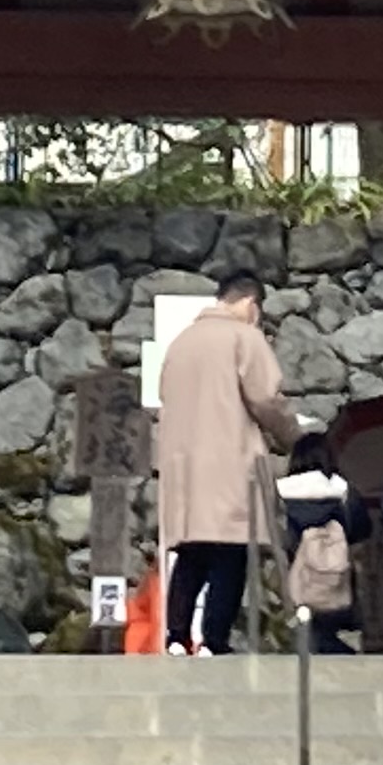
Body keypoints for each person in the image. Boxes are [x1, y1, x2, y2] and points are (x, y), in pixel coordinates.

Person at [152, 272, 294, 654]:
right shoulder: (243, 337)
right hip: (230, 462)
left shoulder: (180, 344)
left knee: (192, 551)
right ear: (250, 304)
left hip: (185, 466)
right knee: (231, 551)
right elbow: (266, 399)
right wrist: (294, 437)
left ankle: (177, 637)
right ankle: (215, 639)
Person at [275, 428, 371, 652]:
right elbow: (363, 528)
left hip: (299, 584)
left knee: (305, 639)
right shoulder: (343, 491)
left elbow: (281, 538)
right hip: (338, 582)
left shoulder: (282, 495)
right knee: (337, 640)